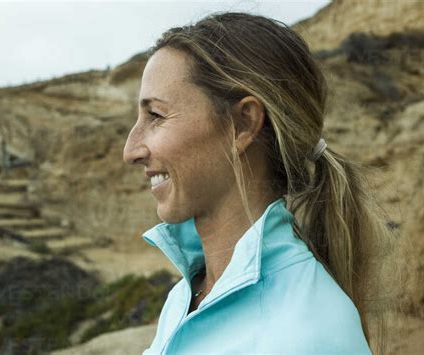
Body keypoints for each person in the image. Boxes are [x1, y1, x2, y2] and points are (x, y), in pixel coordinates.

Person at [123, 11, 401, 355]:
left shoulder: (309, 333)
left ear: (243, 123)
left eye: (156, 116)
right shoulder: (189, 295)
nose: (130, 151)